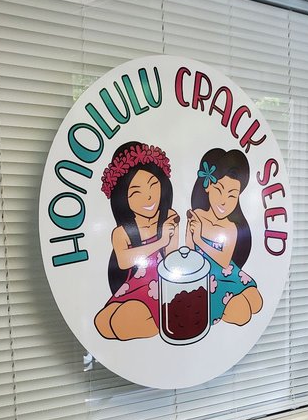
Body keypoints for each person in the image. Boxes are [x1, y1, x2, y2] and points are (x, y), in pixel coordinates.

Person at [94, 141, 179, 340]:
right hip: (133, 286)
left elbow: (172, 260)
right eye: (136, 192)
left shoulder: (169, 217)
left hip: (161, 286)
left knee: (123, 322)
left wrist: (168, 239)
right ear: (123, 198)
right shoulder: (121, 232)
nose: (148, 197)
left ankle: (165, 320)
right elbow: (124, 261)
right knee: (102, 323)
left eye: (153, 185)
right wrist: (160, 241)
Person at [186, 148, 263, 326]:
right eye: (219, 190)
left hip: (227, 271)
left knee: (256, 302)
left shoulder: (231, 226)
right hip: (205, 276)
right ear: (208, 187)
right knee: (242, 314)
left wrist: (199, 239)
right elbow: (190, 251)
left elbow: (223, 260)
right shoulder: (196, 215)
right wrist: (193, 239)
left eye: (232, 195)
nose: (224, 201)